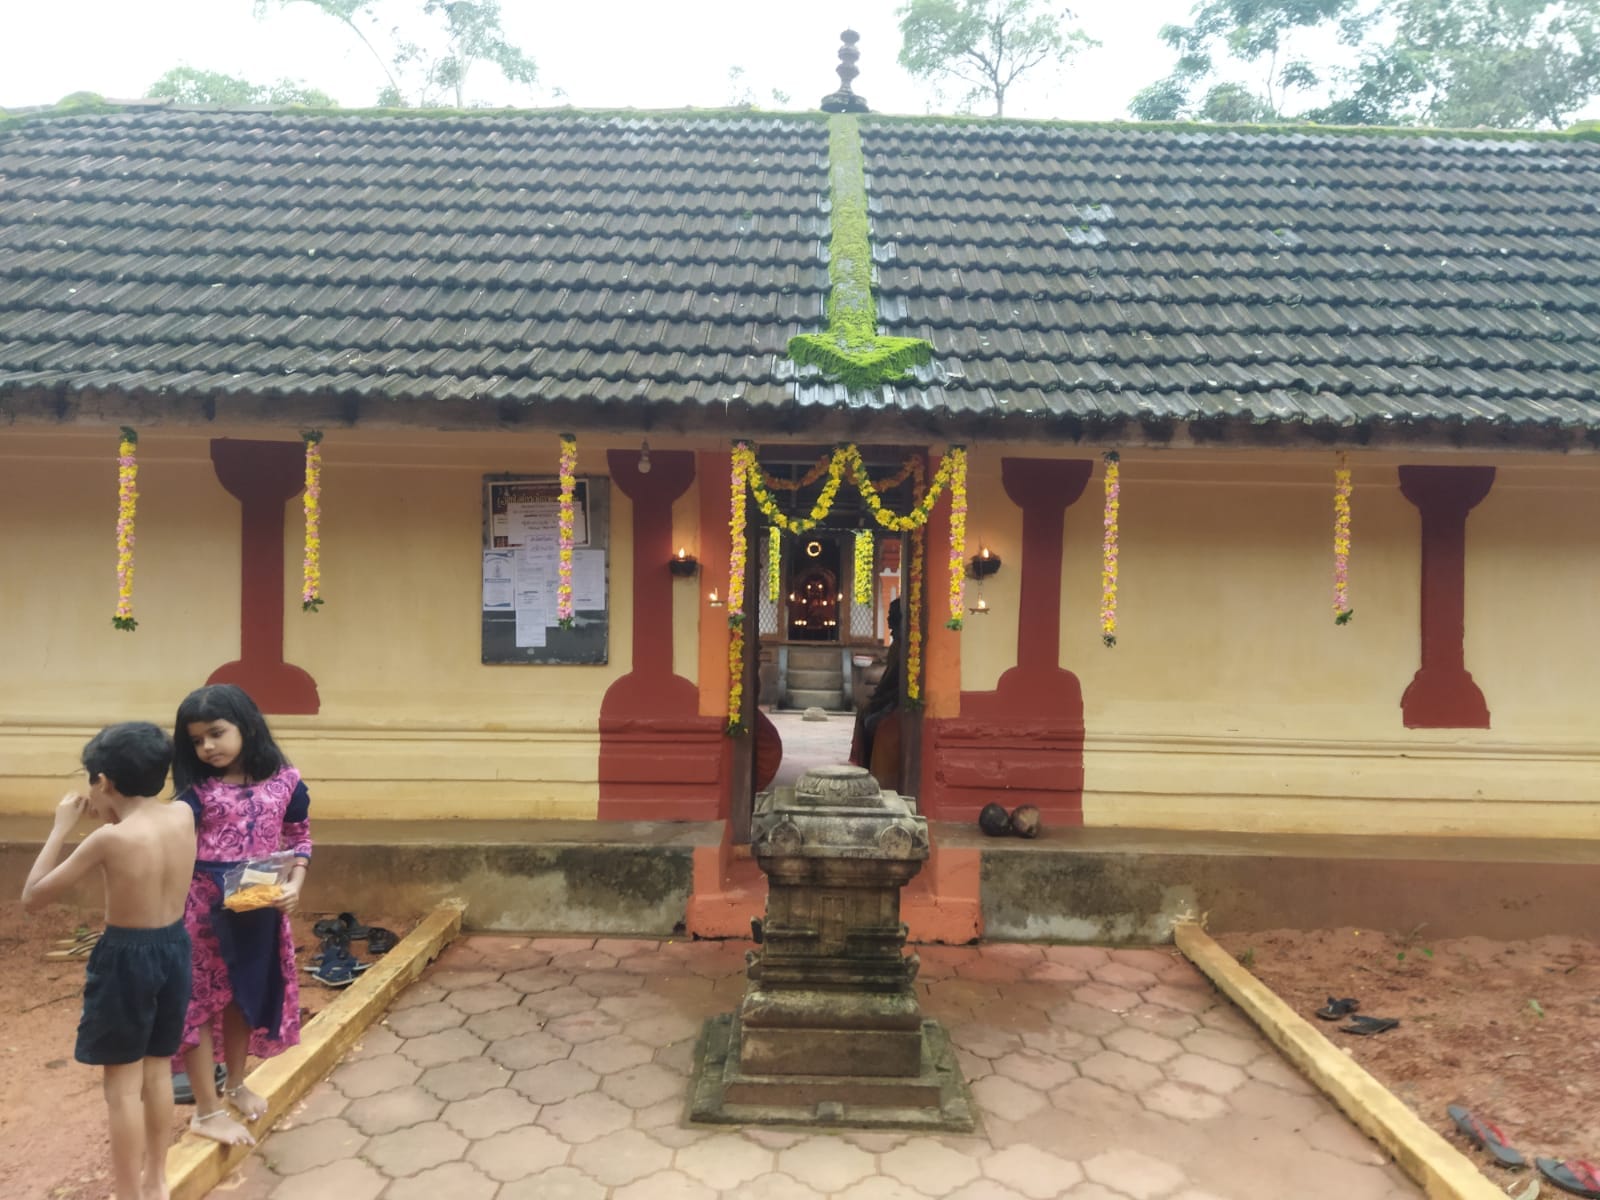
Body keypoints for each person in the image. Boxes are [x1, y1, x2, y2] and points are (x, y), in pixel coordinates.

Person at [22, 721, 195, 1200]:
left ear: (103, 781)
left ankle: (127, 1194)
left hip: (126, 957)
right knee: (158, 1069)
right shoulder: (182, 814)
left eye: (90, 781)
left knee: (121, 1087)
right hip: (175, 948)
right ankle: (156, 1181)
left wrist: (61, 827)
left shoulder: (109, 840)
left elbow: (33, 896)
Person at [171, 684, 311, 1147]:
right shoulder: (194, 792)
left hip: (258, 901)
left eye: (216, 733)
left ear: (246, 727)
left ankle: (235, 1083)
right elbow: (168, 840)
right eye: (196, 740)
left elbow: (299, 835)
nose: (207, 747)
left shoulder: (286, 781)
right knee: (197, 1002)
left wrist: (294, 884)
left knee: (241, 996)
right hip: (199, 911)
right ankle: (206, 1111)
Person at [852, 597, 903, 779]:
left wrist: (877, 700)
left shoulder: (902, 646)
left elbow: (891, 682)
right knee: (865, 714)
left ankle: (870, 771)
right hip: (889, 696)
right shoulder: (897, 645)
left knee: (871, 721)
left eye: (891, 615)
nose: (888, 619)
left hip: (897, 700)